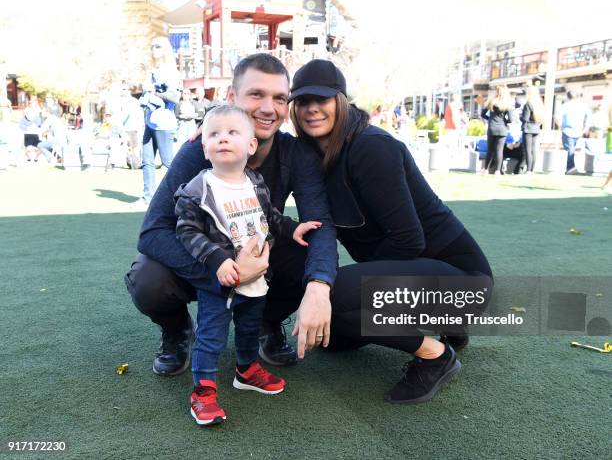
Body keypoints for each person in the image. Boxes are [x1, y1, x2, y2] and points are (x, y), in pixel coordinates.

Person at [288, 59, 493, 404]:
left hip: (464, 282)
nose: (311, 109)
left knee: (334, 298)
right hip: (422, 276)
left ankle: (437, 356)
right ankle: (448, 327)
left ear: (341, 100)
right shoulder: (314, 155)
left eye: (321, 100)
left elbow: (409, 241)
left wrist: (348, 287)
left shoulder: (370, 147)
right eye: (303, 101)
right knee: (334, 334)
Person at [124, 53, 337, 379]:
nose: (269, 108)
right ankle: (177, 328)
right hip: (205, 258)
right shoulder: (200, 150)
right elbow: (152, 232)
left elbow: (320, 223)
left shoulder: (294, 153)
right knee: (147, 277)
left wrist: (320, 287)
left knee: (305, 248)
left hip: (258, 253)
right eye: (256, 95)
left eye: (279, 98)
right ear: (231, 98)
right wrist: (225, 270)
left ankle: (267, 321)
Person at [176, 105, 322, 425]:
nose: (223, 139)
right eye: (214, 134)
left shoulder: (255, 182)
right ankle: (203, 391)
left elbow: (269, 217)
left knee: (248, 328)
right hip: (221, 282)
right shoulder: (198, 189)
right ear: (204, 147)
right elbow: (186, 230)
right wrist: (217, 260)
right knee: (211, 336)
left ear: (251, 146)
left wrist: (291, 227)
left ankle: (246, 370)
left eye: (232, 133)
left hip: (257, 278)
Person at [135, 37, 181, 206]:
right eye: (152, 46)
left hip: (164, 122)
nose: (153, 49)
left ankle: (180, 197)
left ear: (165, 50)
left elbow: (175, 97)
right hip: (150, 120)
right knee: (146, 160)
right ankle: (148, 197)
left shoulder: (171, 71)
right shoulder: (153, 70)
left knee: (168, 162)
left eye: (157, 46)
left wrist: (153, 92)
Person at [481, 85, 512, 174]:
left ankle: (485, 169)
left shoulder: (491, 101)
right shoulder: (507, 103)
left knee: (490, 150)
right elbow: (511, 119)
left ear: (497, 92)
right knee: (499, 150)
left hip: (492, 127)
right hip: (502, 129)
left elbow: (483, 114)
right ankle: (498, 170)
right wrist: (504, 121)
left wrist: (490, 119)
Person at [557, 91, 589, 174]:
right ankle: (571, 167)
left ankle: (570, 168)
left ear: (568, 97)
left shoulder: (564, 106)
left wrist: (561, 127)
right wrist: (585, 128)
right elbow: (588, 117)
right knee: (572, 150)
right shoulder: (583, 106)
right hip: (579, 131)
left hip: (567, 130)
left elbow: (557, 117)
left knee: (570, 150)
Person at [520, 83, 544, 174]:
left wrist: (520, 116)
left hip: (528, 129)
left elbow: (525, 118)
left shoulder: (528, 104)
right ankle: (532, 169)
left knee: (528, 150)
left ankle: (528, 170)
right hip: (536, 128)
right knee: (533, 150)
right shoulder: (539, 104)